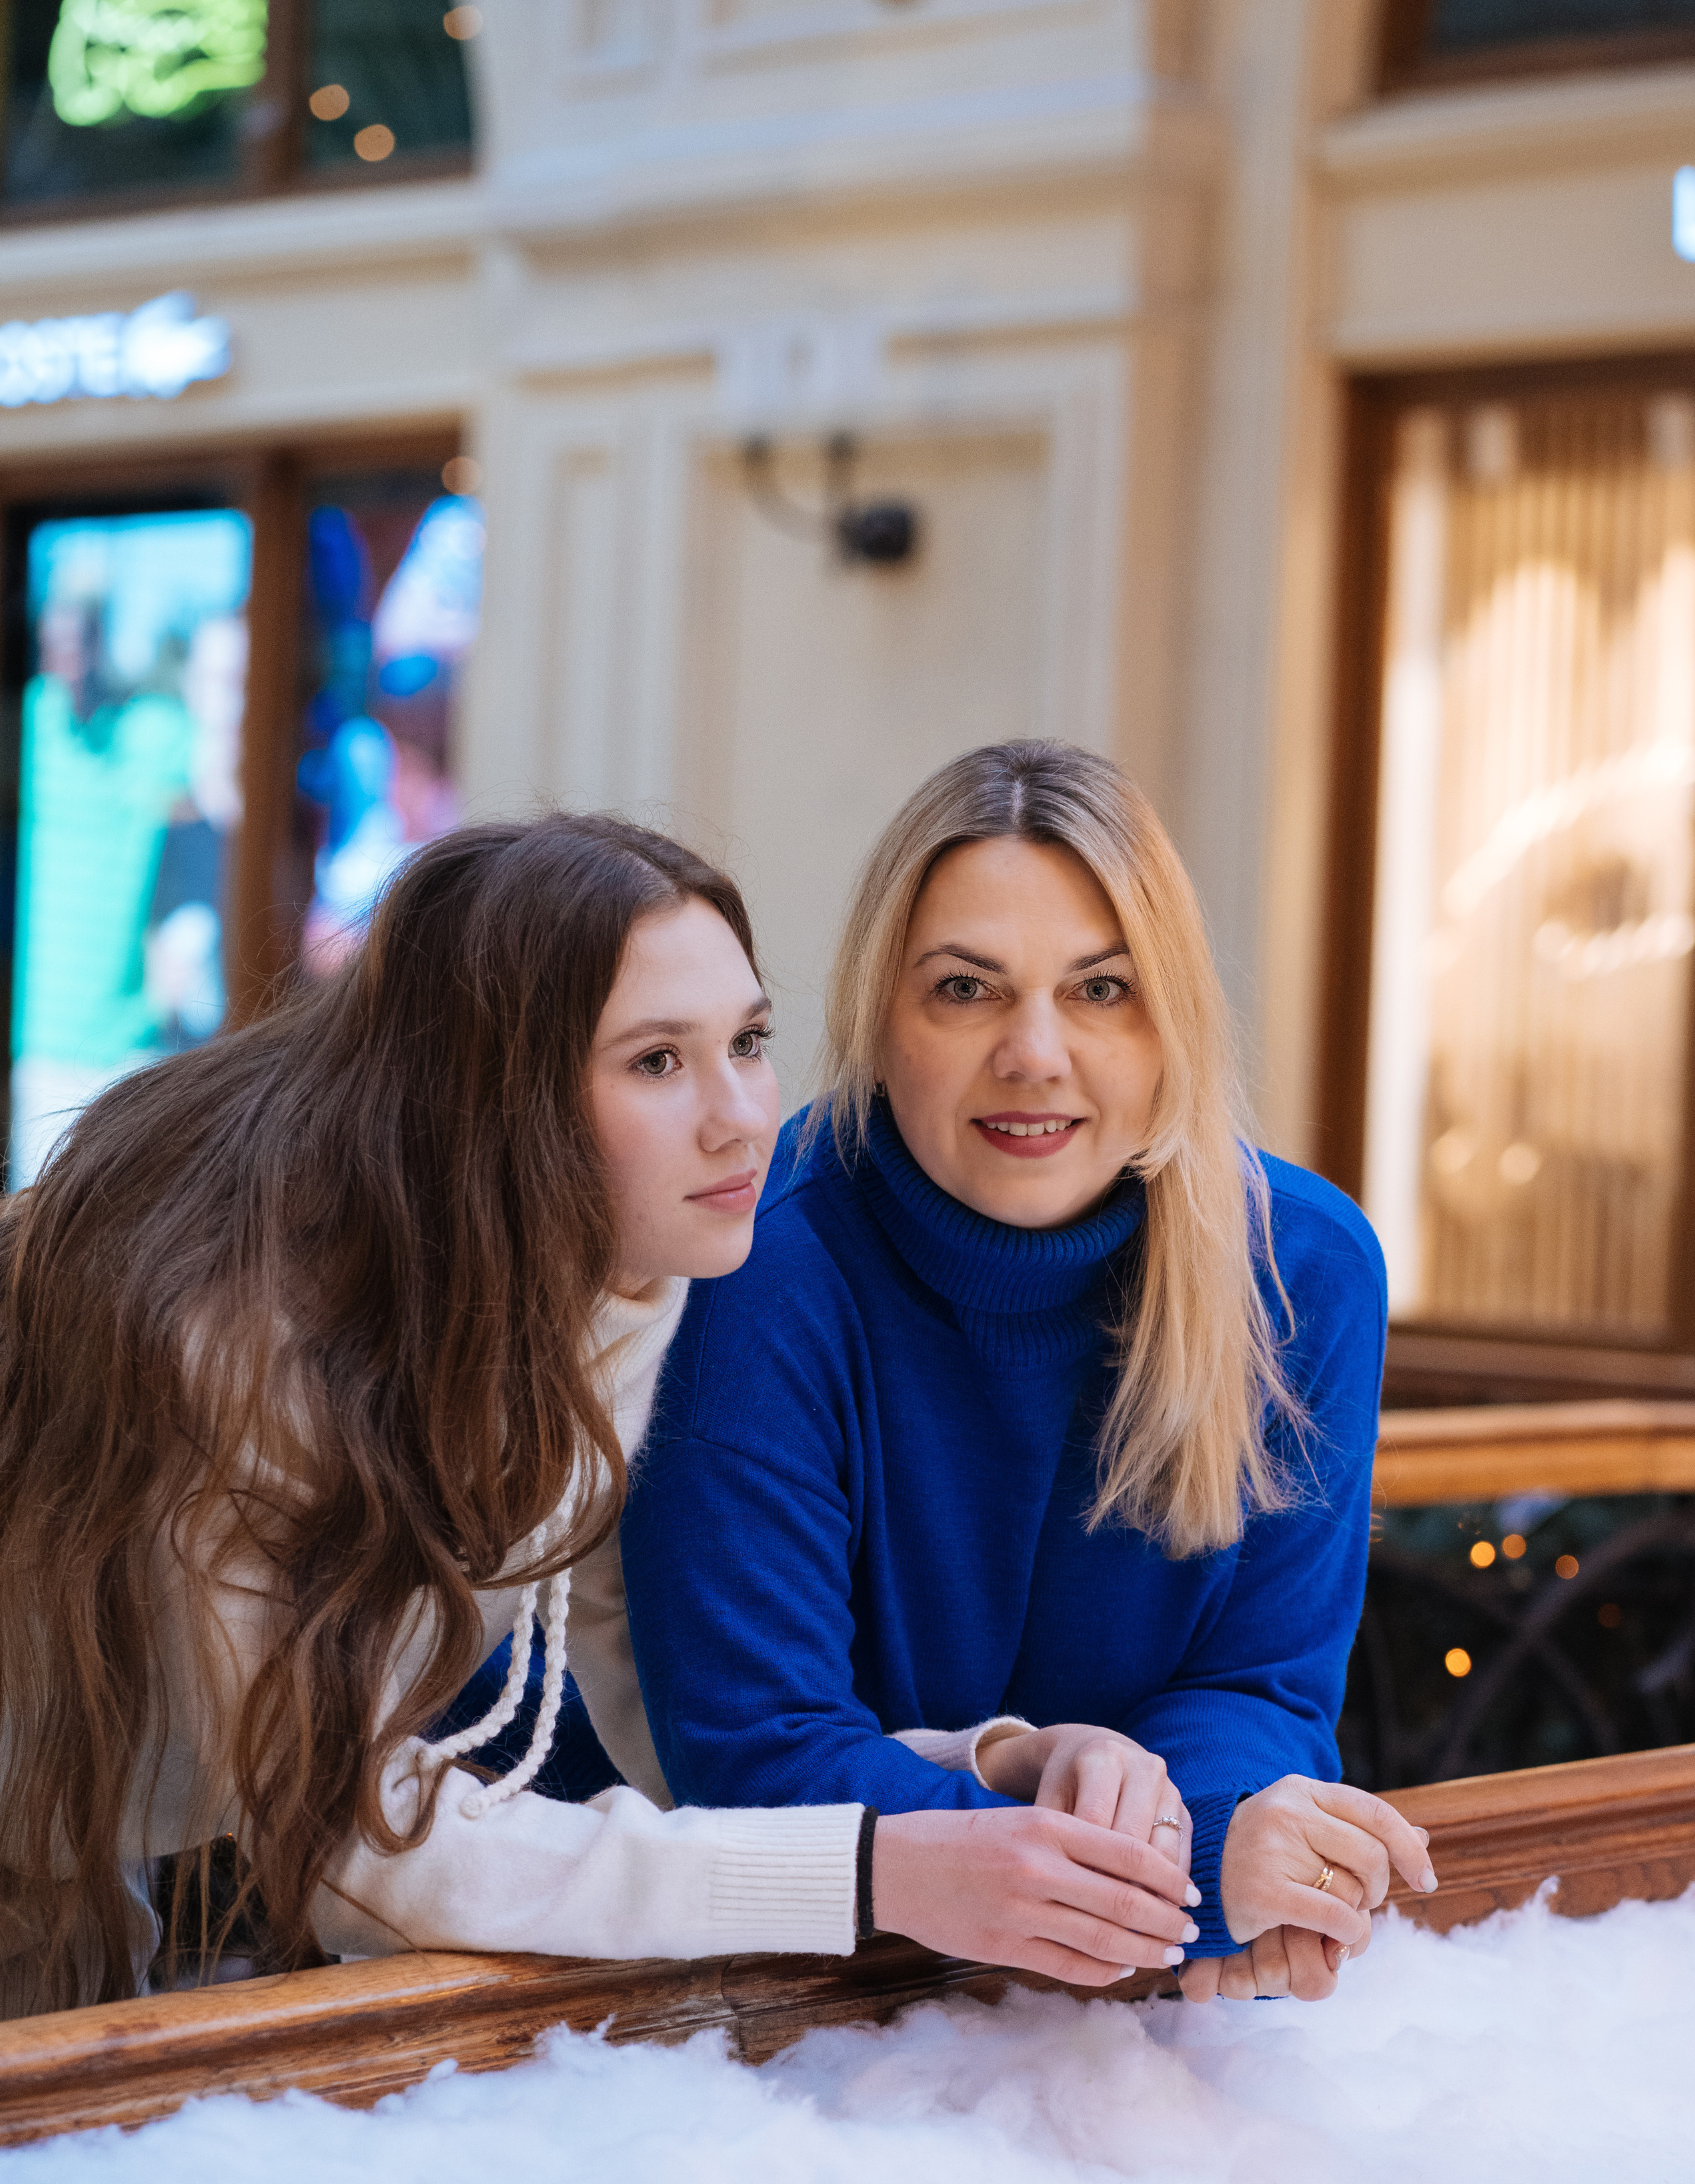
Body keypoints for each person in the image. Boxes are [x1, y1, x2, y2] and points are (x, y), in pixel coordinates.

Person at [0, 812, 1198, 2020]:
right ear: (493, 1095)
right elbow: (352, 1845)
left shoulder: (629, 1274)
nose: (742, 1117)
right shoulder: (245, 1332)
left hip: (91, 1850)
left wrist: (993, 1770)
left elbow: (669, 1711)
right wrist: (876, 1870)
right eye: (656, 1061)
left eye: (748, 1042)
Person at [619, 742, 1436, 2001]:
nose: (1036, 1054)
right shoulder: (756, 1266)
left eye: (1102, 989)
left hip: (1120, 2009)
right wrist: (1194, 1876)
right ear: (880, 1019)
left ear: (1172, 1023)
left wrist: (1235, 1847)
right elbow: (758, 1763)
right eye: (966, 989)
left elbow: (1259, 1686)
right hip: (796, 1996)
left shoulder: (1304, 1271)